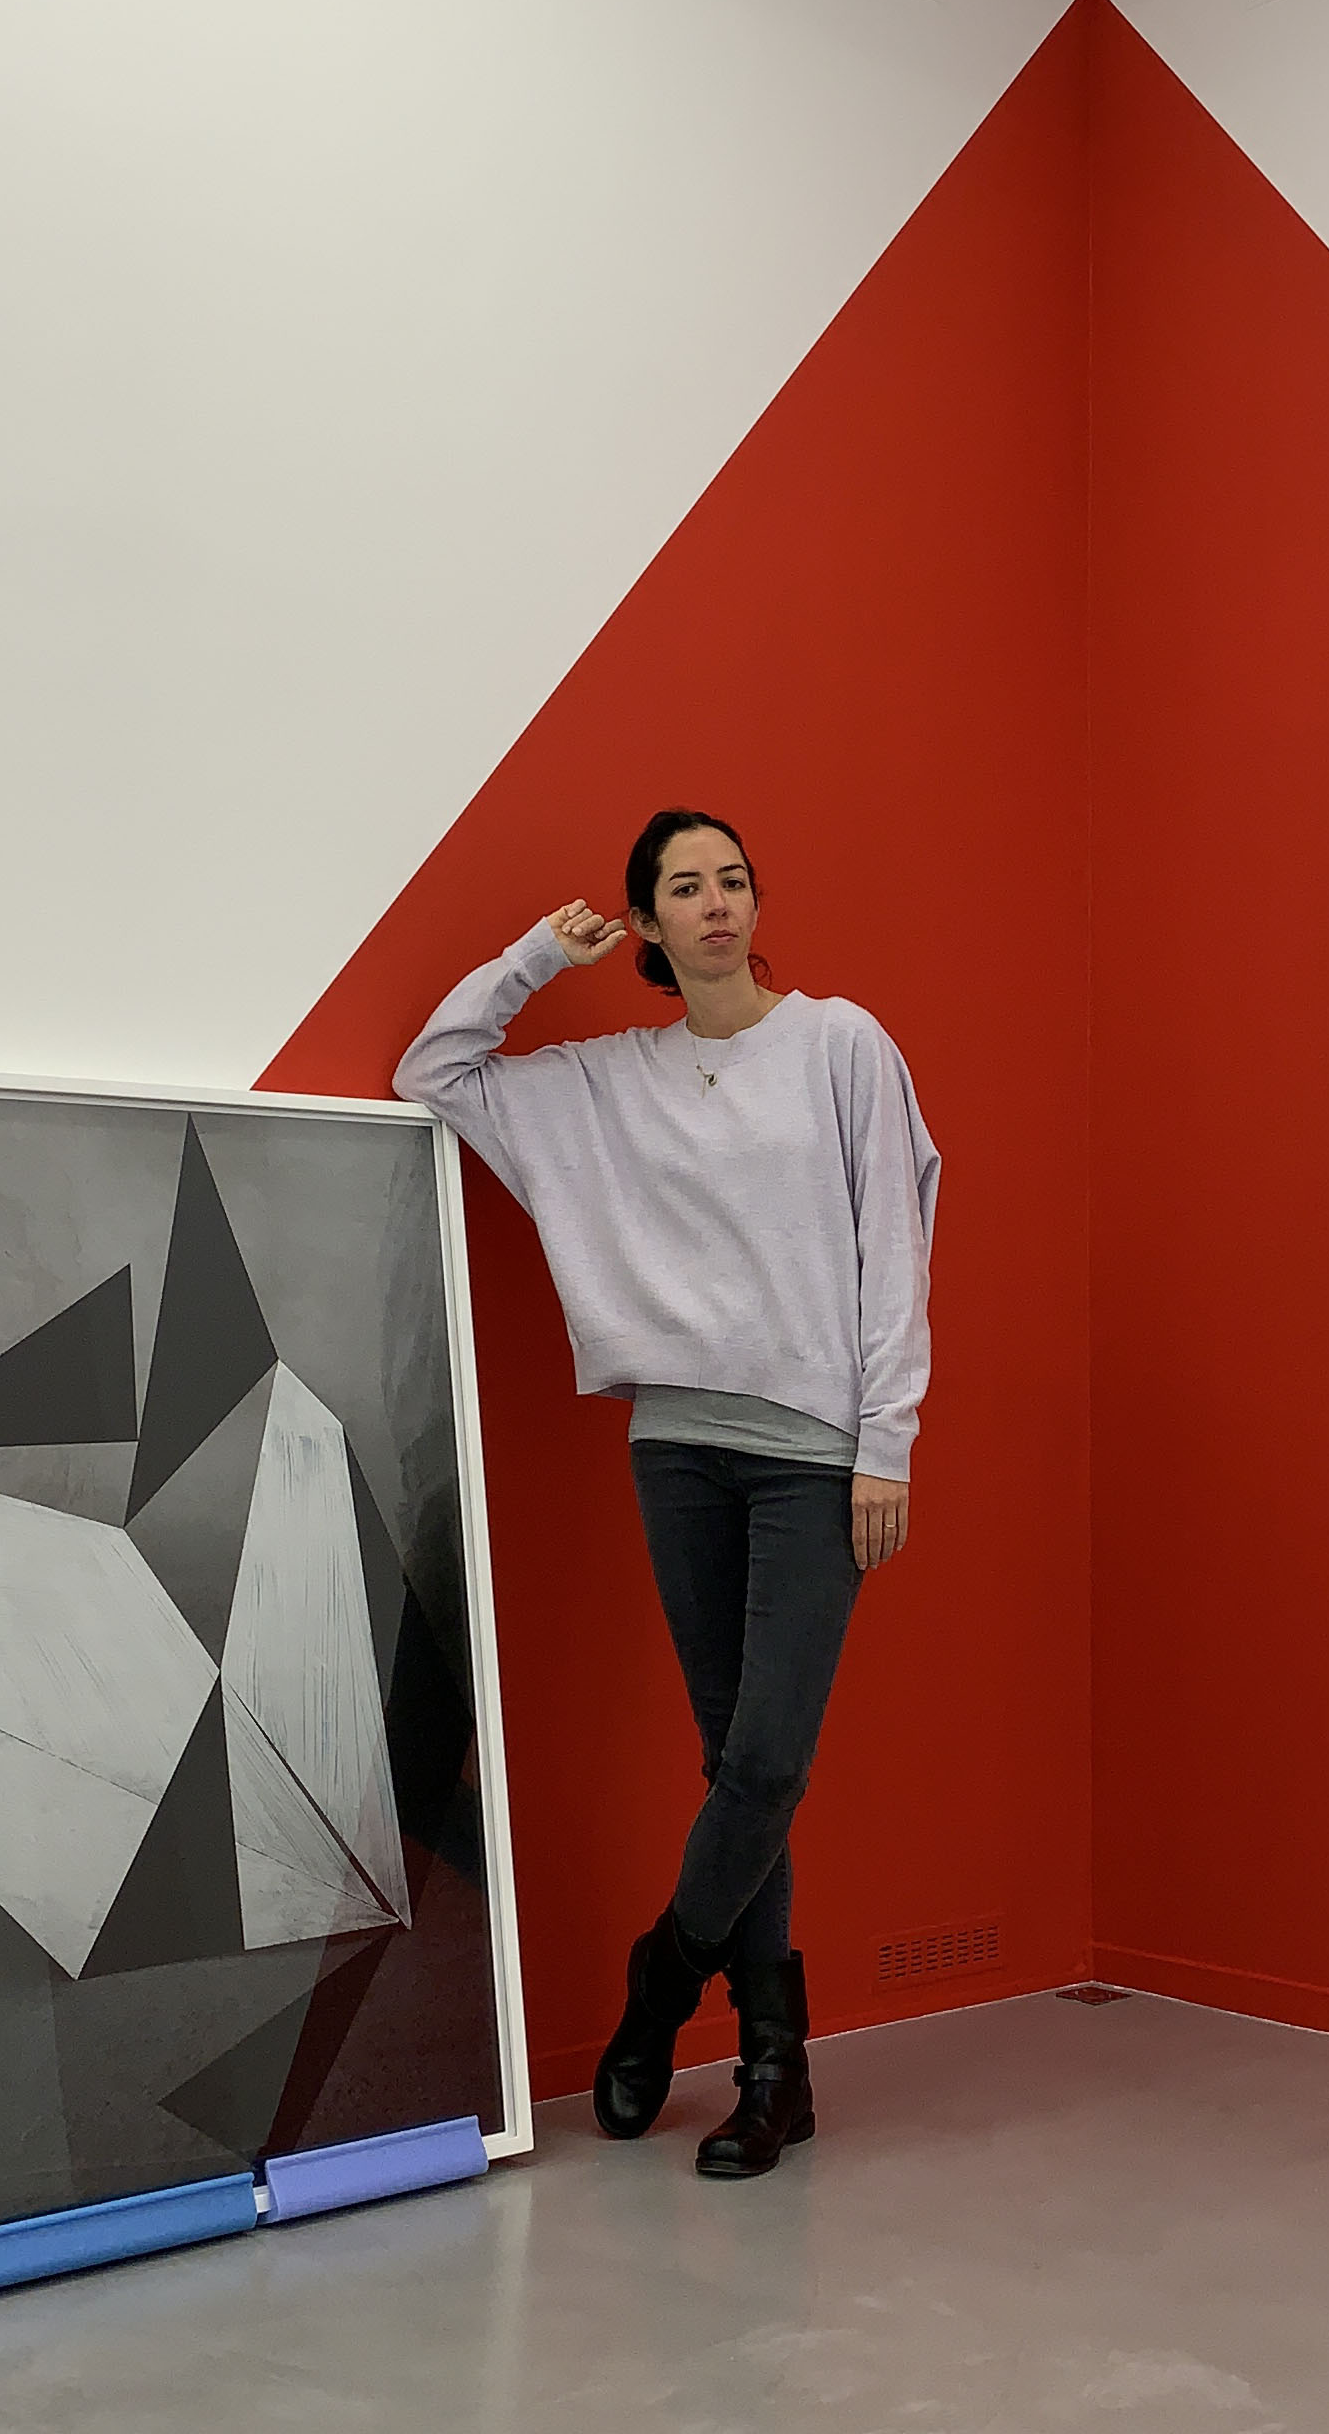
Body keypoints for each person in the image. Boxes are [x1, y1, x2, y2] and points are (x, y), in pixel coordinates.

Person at [394, 809, 937, 2178]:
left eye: (734, 880)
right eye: (685, 888)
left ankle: (660, 1983)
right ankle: (774, 2074)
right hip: (679, 1449)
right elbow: (436, 1069)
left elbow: (895, 1235)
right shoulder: (610, 1080)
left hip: (814, 1449)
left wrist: (887, 1438)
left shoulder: (839, 1044)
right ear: (643, 924)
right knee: (731, 1763)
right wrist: (535, 955)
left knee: (767, 1764)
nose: (716, 904)